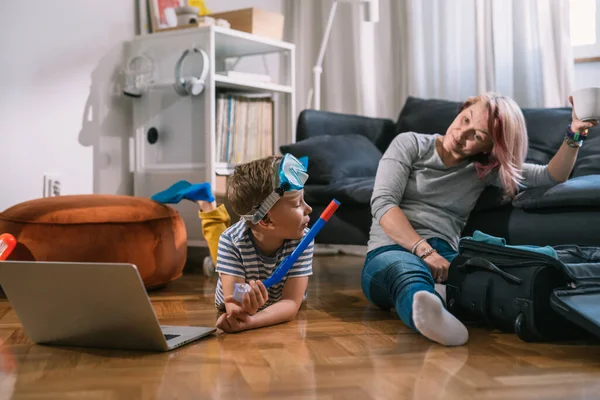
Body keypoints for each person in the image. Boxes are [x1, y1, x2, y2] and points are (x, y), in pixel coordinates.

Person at [362, 92, 599, 347]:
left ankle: (441, 301)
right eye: (465, 119)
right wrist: (424, 251)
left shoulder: (485, 170)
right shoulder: (411, 144)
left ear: (490, 148)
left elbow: (551, 177)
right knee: (405, 271)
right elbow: (384, 204)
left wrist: (575, 133)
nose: (462, 133)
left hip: (445, 255)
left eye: (477, 135)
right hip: (390, 248)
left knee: (492, 275)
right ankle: (428, 309)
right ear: (462, 109)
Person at [152, 154, 314, 333]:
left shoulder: (303, 239)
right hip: (239, 256)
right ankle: (206, 203)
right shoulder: (231, 241)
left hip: (269, 301)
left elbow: (291, 302)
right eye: (298, 203)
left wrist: (252, 321)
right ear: (266, 220)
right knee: (221, 245)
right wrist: (243, 311)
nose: (309, 208)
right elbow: (234, 307)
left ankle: (206, 203)